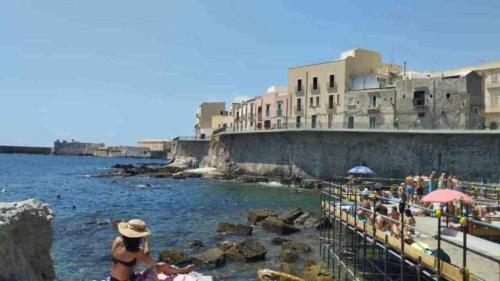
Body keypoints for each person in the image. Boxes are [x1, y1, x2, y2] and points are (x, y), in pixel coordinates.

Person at [110, 219, 194, 281]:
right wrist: (146, 240)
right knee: (161, 266)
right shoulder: (137, 251)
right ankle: (183, 271)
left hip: (113, 279)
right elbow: (152, 263)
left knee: (160, 266)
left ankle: (182, 270)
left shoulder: (117, 241)